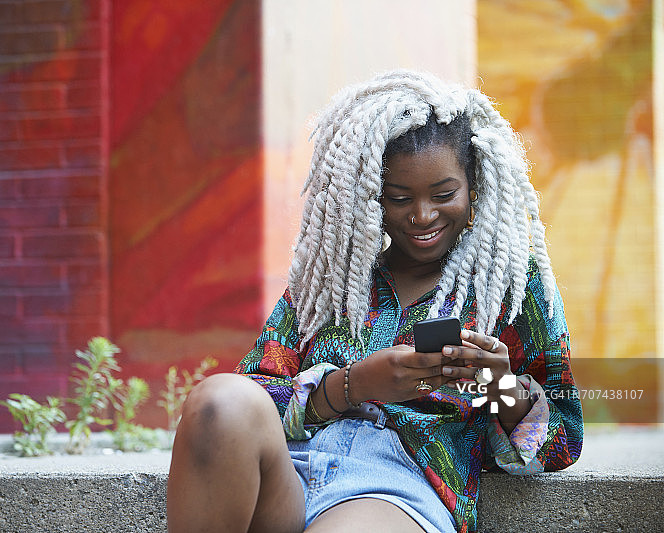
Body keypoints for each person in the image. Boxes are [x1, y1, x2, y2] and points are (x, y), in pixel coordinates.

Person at [167, 69, 583, 533]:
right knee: (219, 402)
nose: (423, 215)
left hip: (397, 485)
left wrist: (500, 386)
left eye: (444, 194)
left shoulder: (511, 286)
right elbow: (256, 400)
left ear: (475, 187)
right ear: (370, 198)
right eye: (399, 198)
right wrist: (351, 385)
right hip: (289, 473)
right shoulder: (331, 277)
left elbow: (562, 441)